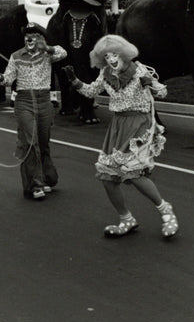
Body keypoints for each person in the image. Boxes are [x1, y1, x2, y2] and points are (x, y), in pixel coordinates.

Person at [63, 34, 178, 239]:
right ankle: (126, 219)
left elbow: (162, 93)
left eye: (115, 54)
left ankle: (165, 210)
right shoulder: (105, 73)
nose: (111, 59)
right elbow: (91, 92)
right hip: (118, 125)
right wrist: (75, 82)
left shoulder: (138, 69)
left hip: (139, 123)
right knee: (108, 176)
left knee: (133, 172)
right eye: (107, 56)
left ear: (124, 54)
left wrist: (150, 84)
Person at [0, 23, 67, 200]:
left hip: (44, 100)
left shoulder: (48, 54)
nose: (29, 38)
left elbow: (63, 53)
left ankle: (47, 178)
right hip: (24, 101)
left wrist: (46, 48)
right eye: (27, 35)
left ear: (41, 38)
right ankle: (34, 185)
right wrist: (0, 78)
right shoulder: (16, 56)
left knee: (43, 141)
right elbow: (8, 78)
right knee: (30, 142)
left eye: (34, 35)